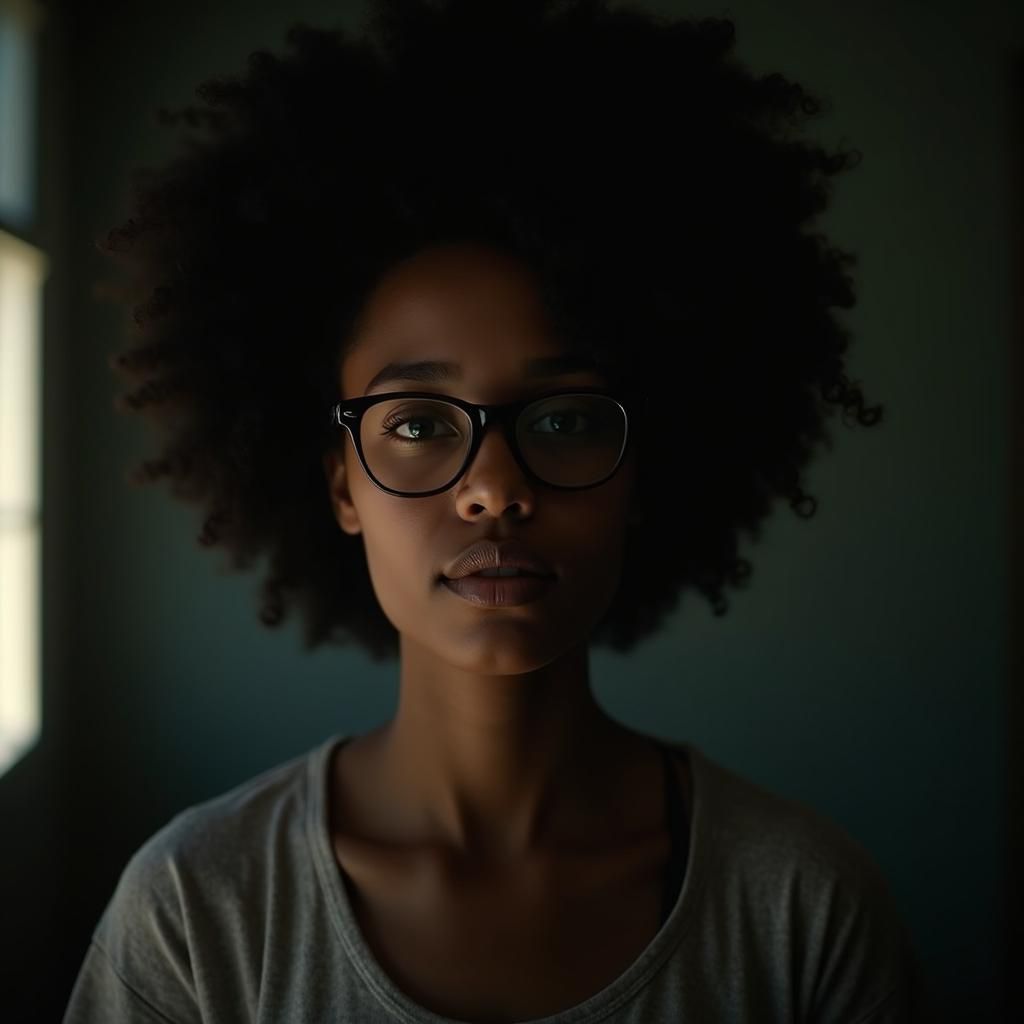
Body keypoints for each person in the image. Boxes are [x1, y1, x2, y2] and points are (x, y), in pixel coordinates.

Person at [64, 1, 935, 1021]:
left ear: (644, 469)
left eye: (564, 420)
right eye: (421, 424)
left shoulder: (802, 907)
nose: (496, 485)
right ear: (342, 483)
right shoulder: (196, 909)